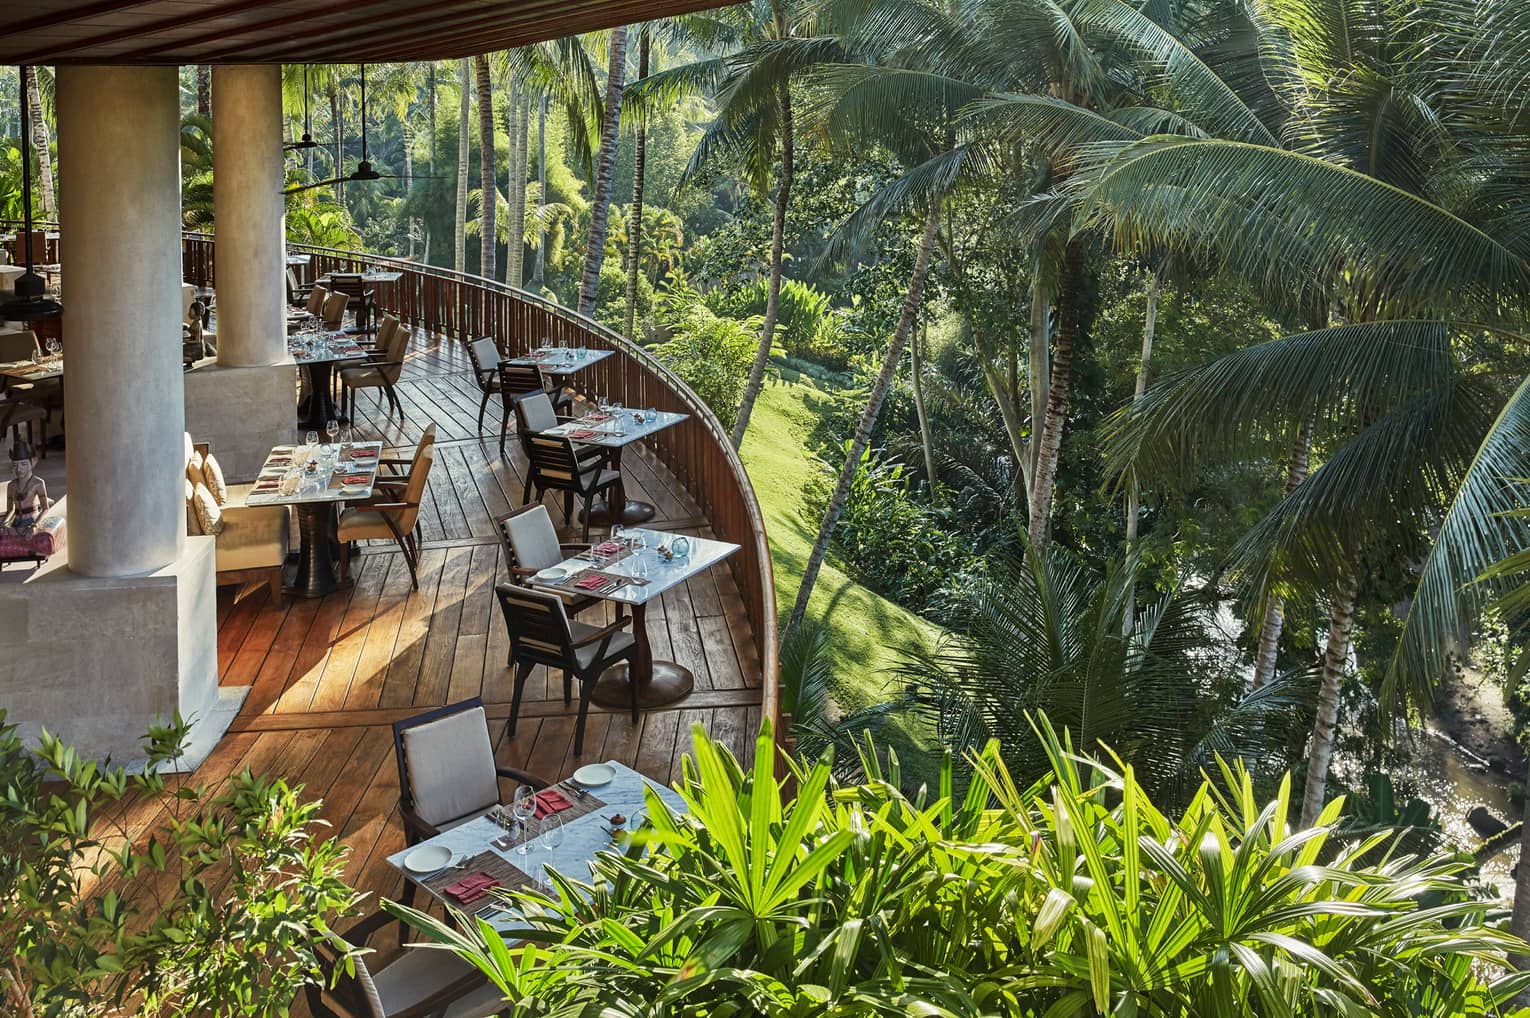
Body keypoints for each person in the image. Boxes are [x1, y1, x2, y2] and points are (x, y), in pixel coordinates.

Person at [2, 441, 49, 536]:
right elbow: (10, 510)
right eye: (15, 465)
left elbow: (45, 509)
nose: (19, 469)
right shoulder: (11, 486)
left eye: (23, 464)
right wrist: (4, 523)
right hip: (16, 522)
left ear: (34, 462)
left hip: (32, 521)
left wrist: (34, 526)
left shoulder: (38, 483)